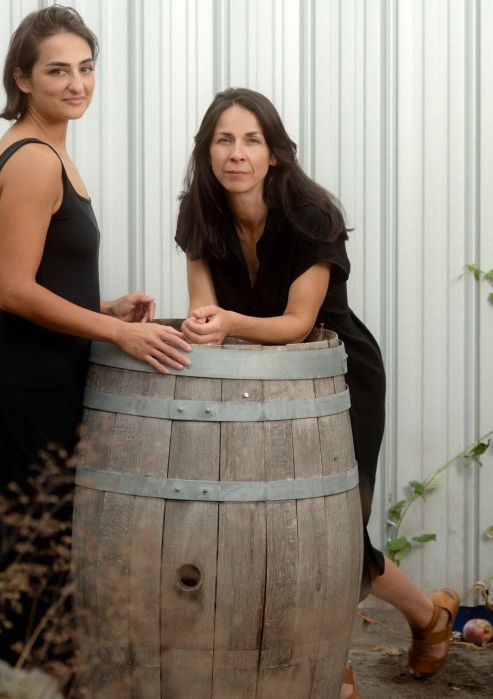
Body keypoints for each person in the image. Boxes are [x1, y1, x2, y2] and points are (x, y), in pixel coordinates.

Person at [174, 87, 459, 699]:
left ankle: (333, 671)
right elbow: (204, 310)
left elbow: (299, 323)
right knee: (279, 532)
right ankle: (429, 619)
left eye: (252, 140)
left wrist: (223, 322)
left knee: (331, 537)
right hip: (252, 387)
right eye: (224, 139)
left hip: (337, 382)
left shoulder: (311, 215)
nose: (237, 153)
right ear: (207, 151)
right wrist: (203, 324)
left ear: (274, 152)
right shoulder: (197, 212)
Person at [0, 5, 191, 666]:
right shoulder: (33, 159)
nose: (76, 82)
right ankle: (9, 677)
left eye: (85, 67)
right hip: (24, 380)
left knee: (23, 537)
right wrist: (120, 333)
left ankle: (6, 676)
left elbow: (40, 277)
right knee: (22, 543)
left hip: (37, 372)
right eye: (57, 69)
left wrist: (107, 306)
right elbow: (15, 290)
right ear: (23, 78)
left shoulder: (50, 147)